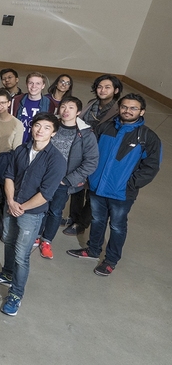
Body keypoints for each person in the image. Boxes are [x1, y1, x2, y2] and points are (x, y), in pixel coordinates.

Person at [66, 94, 162, 277]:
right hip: (97, 187)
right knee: (97, 220)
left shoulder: (148, 137)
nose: (128, 111)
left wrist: (130, 184)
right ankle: (93, 250)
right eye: (124, 107)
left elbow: (151, 167)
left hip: (122, 193)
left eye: (133, 108)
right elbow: (90, 153)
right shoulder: (105, 128)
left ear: (142, 111)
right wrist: (90, 177)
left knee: (117, 226)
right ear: (119, 108)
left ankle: (110, 261)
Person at [0, 113, 64, 317]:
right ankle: (7, 274)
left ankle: (16, 294)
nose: (40, 130)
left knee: (21, 255)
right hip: (11, 206)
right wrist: (10, 201)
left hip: (31, 213)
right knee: (8, 241)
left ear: (53, 132)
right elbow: (9, 176)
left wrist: (22, 207)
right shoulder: (21, 149)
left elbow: (46, 194)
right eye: (37, 125)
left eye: (46, 127)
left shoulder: (57, 160)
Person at [36, 96, 98, 259]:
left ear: (78, 112)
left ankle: (47, 240)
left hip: (63, 181)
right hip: (43, 176)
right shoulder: (50, 125)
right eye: (63, 106)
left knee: (55, 211)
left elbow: (91, 162)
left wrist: (68, 180)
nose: (66, 110)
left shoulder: (85, 133)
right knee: (39, 207)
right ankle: (36, 235)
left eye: (71, 107)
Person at [65, 74, 123, 236]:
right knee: (77, 185)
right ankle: (73, 216)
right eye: (99, 86)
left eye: (107, 87)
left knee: (94, 190)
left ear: (116, 90)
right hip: (82, 150)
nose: (102, 90)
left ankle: (82, 222)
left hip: (101, 154)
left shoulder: (118, 110)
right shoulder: (91, 104)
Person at [10, 72, 55, 142]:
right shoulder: (16, 100)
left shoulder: (49, 103)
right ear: (26, 84)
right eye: (31, 83)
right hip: (16, 141)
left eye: (38, 83)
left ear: (43, 86)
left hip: (35, 142)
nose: (34, 86)